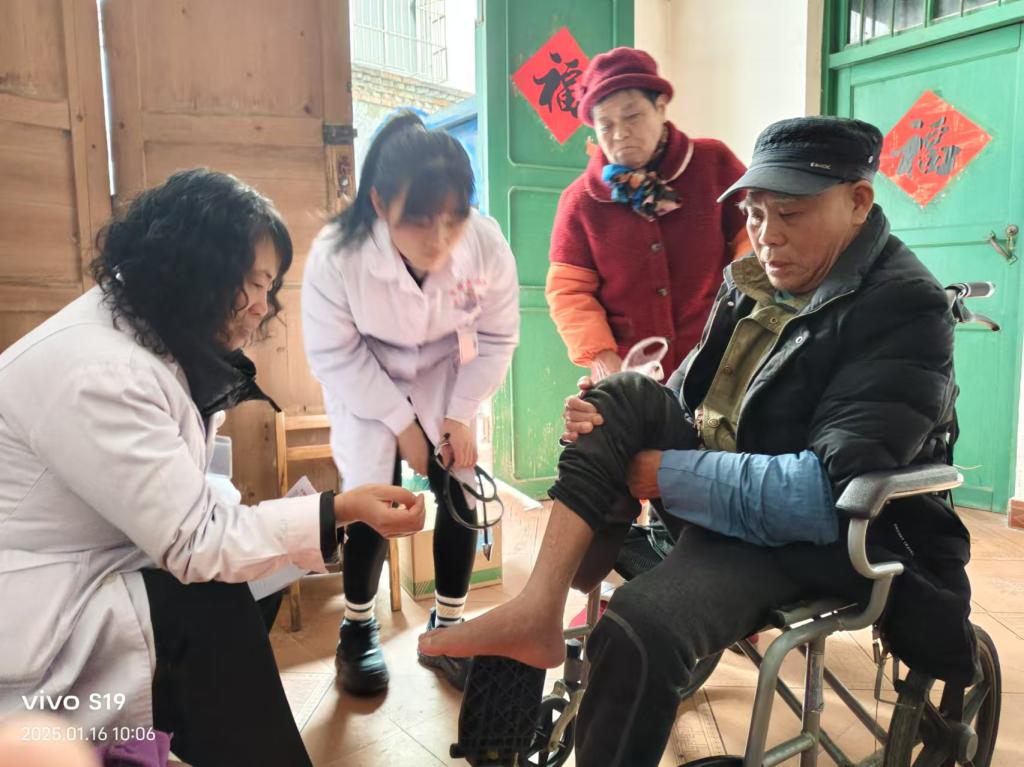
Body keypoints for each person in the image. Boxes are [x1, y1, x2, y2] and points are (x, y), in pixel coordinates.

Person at [420, 117, 976, 766]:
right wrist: (610, 421)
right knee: (620, 395)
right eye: (756, 212)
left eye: (789, 214)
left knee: (640, 624)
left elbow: (823, 496)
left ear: (857, 201)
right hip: (727, 489)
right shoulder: (753, 281)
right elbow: (685, 398)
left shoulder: (904, 307)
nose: (767, 234)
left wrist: (665, 474)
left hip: (817, 537)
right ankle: (538, 609)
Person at [0, 169, 425, 767]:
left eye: (269, 287)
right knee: (215, 606)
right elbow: (195, 542)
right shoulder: (105, 371)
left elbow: (185, 498)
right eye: (251, 283)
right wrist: (339, 508)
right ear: (194, 264)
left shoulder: (147, 339)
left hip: (86, 568)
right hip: (40, 609)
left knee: (249, 580)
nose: (261, 306)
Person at [302, 111, 520, 695]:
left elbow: (497, 336)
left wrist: (460, 412)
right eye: (418, 221)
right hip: (365, 376)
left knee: (460, 488)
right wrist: (400, 424)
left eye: (453, 218)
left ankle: (447, 629)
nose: (439, 238)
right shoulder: (337, 253)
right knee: (374, 498)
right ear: (379, 203)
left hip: (447, 373)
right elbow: (335, 352)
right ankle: (357, 630)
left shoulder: (485, 243)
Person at [545, 47, 750, 381]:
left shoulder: (713, 164)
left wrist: (743, 318)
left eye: (632, 116)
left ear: (660, 107)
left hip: (719, 361)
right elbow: (569, 292)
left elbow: (754, 241)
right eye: (605, 125)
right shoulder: (579, 201)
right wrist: (603, 358)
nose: (620, 134)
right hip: (630, 372)